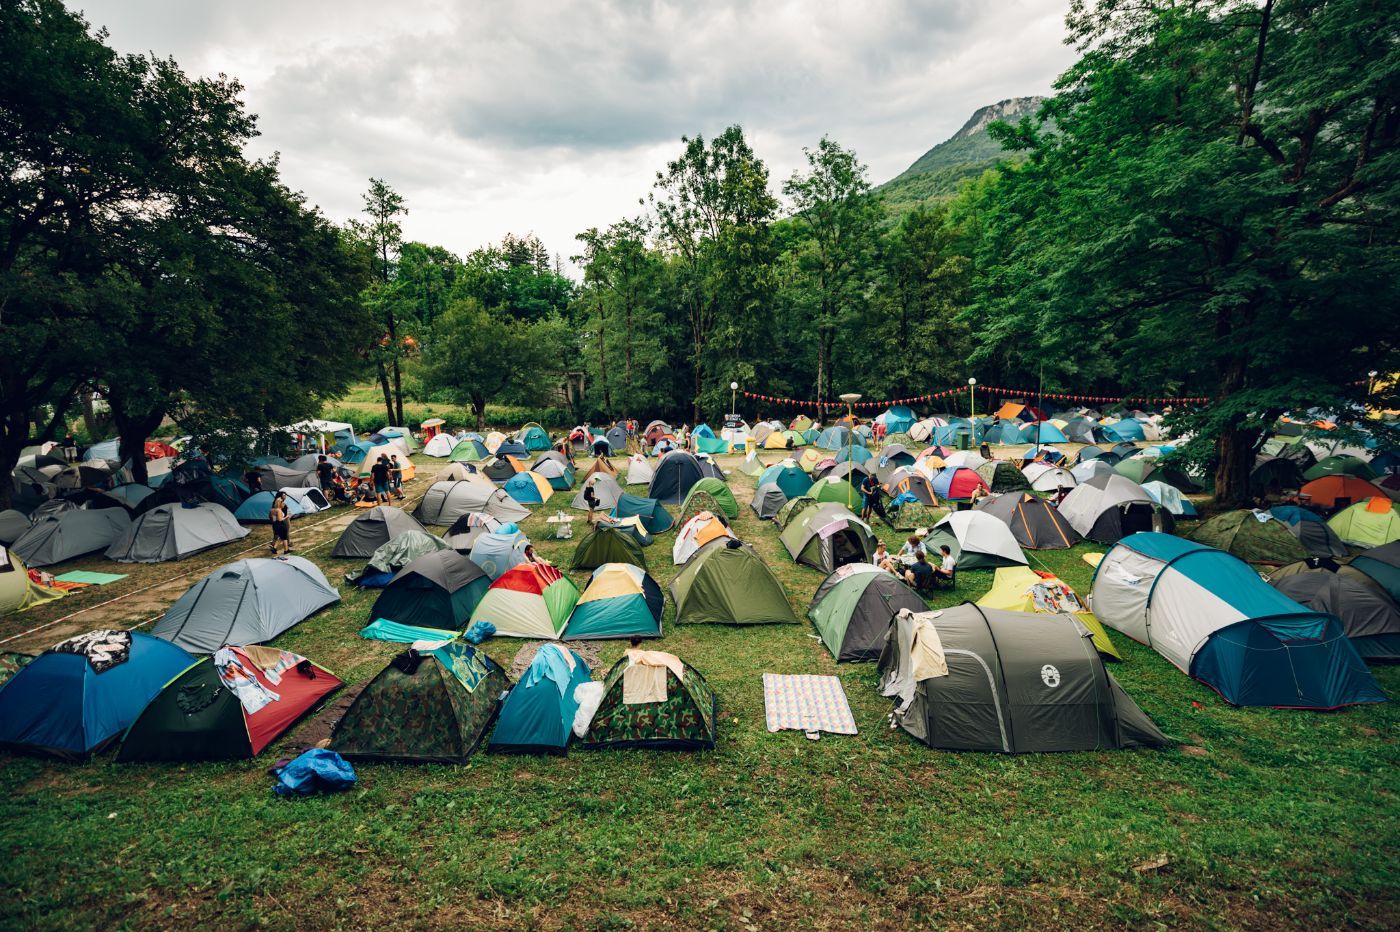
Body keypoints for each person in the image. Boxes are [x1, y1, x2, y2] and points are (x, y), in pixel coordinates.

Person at [269, 491, 292, 555]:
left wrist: (275, 523)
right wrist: (286, 516)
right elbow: (280, 519)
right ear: (279, 503)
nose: (283, 504)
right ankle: (285, 550)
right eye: (282, 502)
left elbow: (273, 519)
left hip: (275, 525)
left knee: (281, 538)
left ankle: (276, 548)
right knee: (284, 537)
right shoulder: (279, 510)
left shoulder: (272, 510)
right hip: (281, 524)